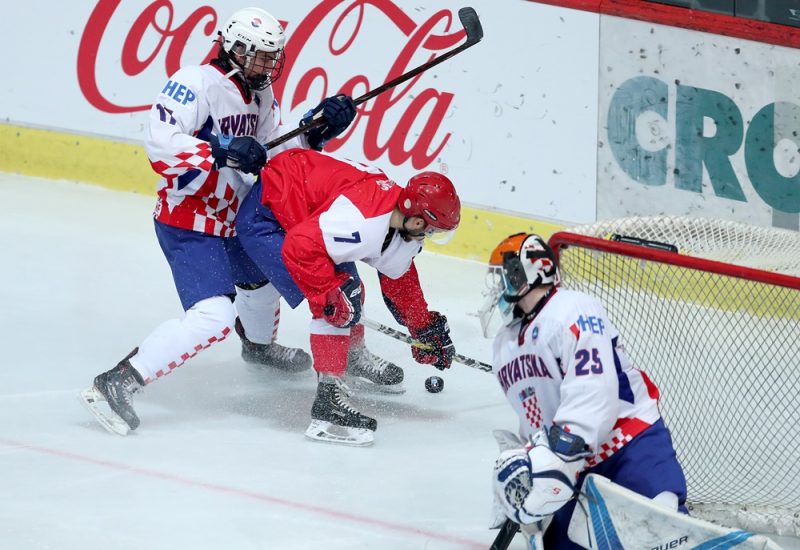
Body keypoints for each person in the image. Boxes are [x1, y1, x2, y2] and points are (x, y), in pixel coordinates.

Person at [79, 7, 360, 436]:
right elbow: (160, 143)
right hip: (189, 224)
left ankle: (259, 348)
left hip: (233, 222)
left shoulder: (262, 96)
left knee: (264, 277)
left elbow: (271, 157)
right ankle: (116, 382)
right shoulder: (195, 83)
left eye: (274, 57)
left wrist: (313, 130)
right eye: (261, 56)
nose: (269, 66)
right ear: (235, 48)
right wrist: (223, 149)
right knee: (213, 317)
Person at [234, 148, 460, 446]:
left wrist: (423, 327)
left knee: (348, 291)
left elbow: (399, 276)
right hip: (268, 217)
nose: (429, 236)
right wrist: (329, 294)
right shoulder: (362, 221)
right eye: (432, 230)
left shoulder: (400, 219)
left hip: (312, 212)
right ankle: (328, 403)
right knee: (336, 303)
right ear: (418, 222)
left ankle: (351, 357)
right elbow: (299, 247)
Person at [479, 233, 687, 548]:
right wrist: (528, 468)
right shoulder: (504, 345)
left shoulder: (573, 309)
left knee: (659, 530)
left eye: (504, 276)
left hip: (627, 445)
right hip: (572, 466)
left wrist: (557, 453)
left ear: (529, 273)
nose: (498, 288)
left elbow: (594, 390)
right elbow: (532, 415)